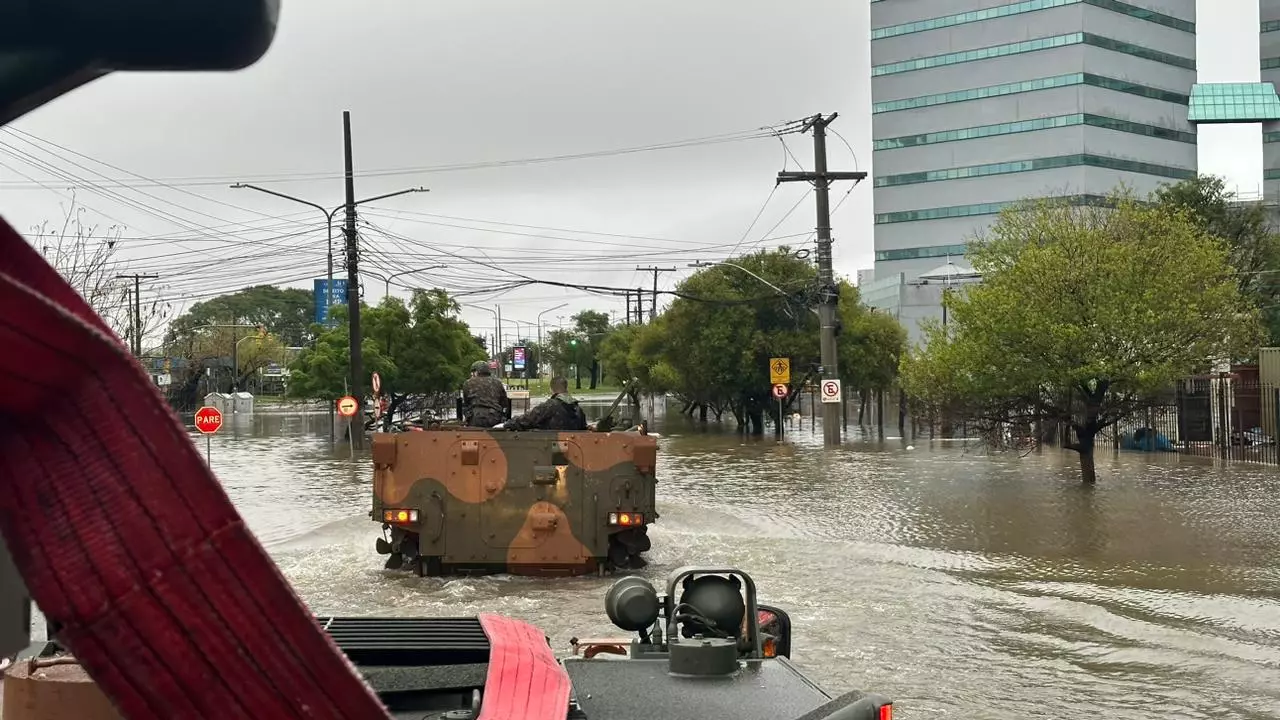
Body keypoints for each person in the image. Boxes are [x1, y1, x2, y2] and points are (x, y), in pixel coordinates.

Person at [504, 376, 588, 431]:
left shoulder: (550, 405)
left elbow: (527, 420)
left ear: (551, 389)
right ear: (566, 388)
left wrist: (507, 423)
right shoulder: (578, 409)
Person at [462, 360, 508, 427]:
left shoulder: (468, 383)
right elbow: (504, 403)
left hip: (475, 418)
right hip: (495, 418)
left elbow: (466, 403)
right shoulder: (498, 382)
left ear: (476, 372)